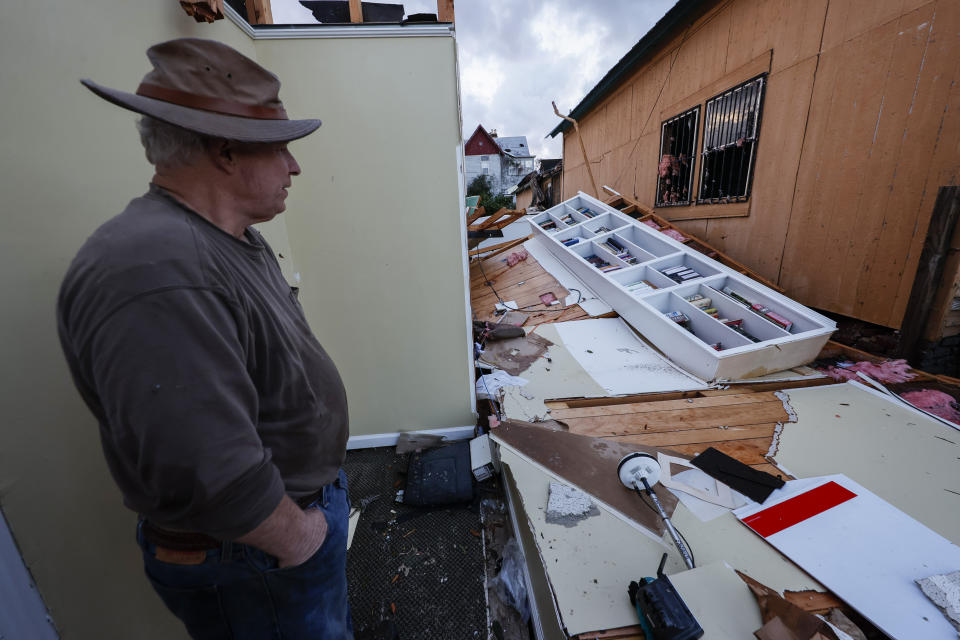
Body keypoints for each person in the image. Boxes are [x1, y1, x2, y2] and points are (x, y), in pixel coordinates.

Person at [57, 38, 352, 639]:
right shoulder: (157, 267)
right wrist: (301, 540)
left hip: (276, 534)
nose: (294, 167)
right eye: (281, 149)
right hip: (255, 555)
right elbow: (207, 472)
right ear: (224, 151)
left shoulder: (230, 237)